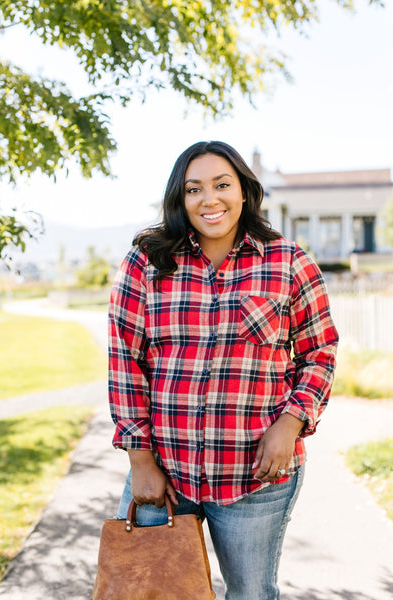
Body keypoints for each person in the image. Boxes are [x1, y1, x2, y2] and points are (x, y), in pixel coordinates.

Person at [108, 141, 339, 600]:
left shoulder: (289, 262)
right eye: (194, 189)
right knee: (149, 591)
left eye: (221, 185)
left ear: (244, 191)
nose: (209, 199)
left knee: (251, 594)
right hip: (165, 474)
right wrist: (139, 459)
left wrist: (290, 425)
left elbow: (320, 353)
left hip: (255, 479)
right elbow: (125, 363)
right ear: (180, 198)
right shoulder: (146, 264)